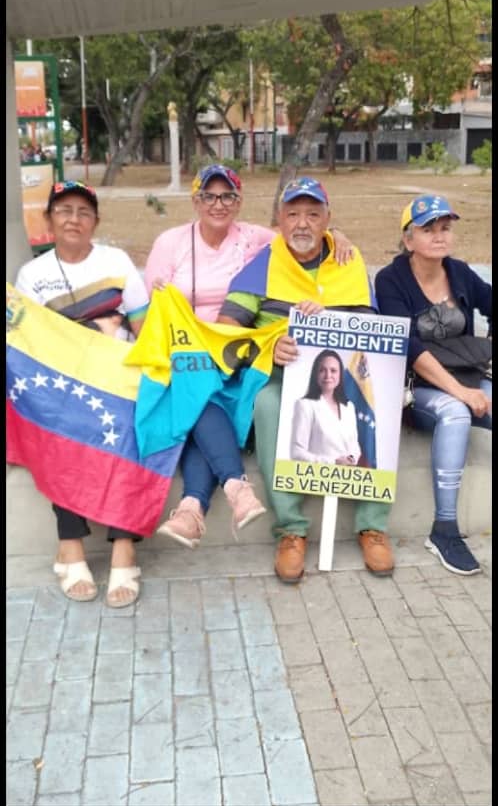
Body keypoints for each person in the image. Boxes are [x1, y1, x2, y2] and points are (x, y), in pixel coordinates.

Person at [144, 163, 354, 549]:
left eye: (228, 196)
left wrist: (336, 234)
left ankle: (193, 505)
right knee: (195, 387)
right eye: (209, 195)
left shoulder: (256, 240)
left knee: (201, 395)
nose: (218, 204)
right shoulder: (169, 243)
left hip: (234, 352)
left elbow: (302, 232)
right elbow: (147, 317)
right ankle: (235, 488)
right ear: (195, 199)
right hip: (185, 351)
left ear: (239, 202)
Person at [218, 175, 394, 582]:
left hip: (347, 373)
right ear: (279, 219)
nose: (302, 223)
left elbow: (372, 330)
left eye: (312, 214)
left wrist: (333, 322)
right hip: (282, 374)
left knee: (378, 401)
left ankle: (372, 525)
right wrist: (270, 344)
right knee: (268, 404)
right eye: (292, 213)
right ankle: (291, 530)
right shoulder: (263, 262)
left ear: (327, 220)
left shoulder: (349, 262)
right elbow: (227, 329)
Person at [14, 179, 150, 608]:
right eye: (65, 210)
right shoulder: (31, 276)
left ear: (95, 221)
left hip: (118, 375)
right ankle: (69, 542)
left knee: (132, 424)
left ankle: (124, 547)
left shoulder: (116, 261)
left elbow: (145, 329)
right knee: (58, 425)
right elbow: (29, 343)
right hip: (64, 381)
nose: (74, 219)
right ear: (49, 219)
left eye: (84, 212)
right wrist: (95, 330)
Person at [375, 195, 492, 576]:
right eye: (428, 229)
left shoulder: (460, 272)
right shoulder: (391, 279)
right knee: (455, 412)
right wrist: (460, 393)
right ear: (409, 240)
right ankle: (444, 530)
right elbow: (411, 348)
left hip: (466, 375)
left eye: (445, 228)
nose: (440, 236)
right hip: (417, 389)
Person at [290, 349, 361, 465]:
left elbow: (355, 446)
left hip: (348, 477)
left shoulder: (349, 407)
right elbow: (297, 452)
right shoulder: (305, 405)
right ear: (315, 374)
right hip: (317, 476)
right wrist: (333, 462)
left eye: (333, 371)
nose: (328, 375)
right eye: (322, 370)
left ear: (340, 375)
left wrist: (352, 458)